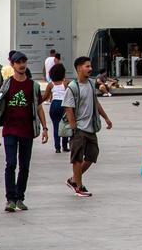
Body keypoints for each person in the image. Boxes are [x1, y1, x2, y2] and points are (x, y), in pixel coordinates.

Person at [0, 51, 47, 212]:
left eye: (24, 62)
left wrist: (44, 128)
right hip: (10, 130)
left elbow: (38, 107)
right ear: (13, 65)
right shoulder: (7, 84)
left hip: (27, 131)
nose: (22, 65)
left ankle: (19, 197)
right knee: (11, 164)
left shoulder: (33, 86)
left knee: (24, 166)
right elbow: (0, 108)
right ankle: (10, 199)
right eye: (18, 62)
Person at [64, 55, 113, 198]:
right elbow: (68, 108)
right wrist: (74, 127)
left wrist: (106, 118)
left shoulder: (91, 84)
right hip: (79, 128)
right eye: (87, 66)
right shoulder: (73, 87)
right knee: (77, 158)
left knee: (92, 155)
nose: (90, 69)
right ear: (79, 68)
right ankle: (78, 186)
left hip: (91, 127)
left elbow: (96, 102)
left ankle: (73, 180)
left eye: (90, 66)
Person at [45, 63, 70, 154]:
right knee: (65, 125)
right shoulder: (66, 82)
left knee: (56, 126)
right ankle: (64, 146)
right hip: (64, 105)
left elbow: (45, 97)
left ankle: (57, 147)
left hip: (54, 105)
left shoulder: (50, 84)